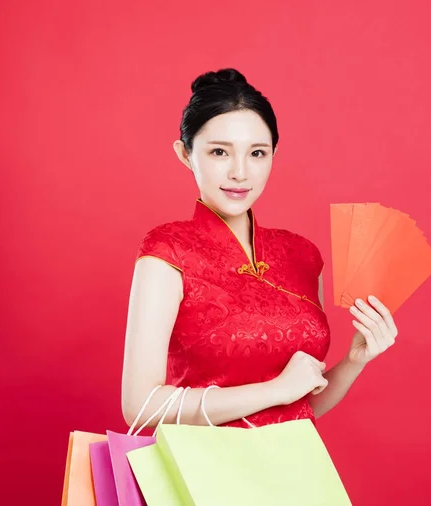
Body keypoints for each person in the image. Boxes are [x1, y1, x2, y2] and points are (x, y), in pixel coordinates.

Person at [121, 68, 398, 430]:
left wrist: (354, 360)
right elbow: (140, 408)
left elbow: (304, 404)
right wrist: (275, 390)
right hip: (204, 475)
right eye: (220, 151)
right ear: (185, 154)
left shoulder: (302, 255)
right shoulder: (167, 251)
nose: (240, 172)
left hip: (296, 471)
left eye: (257, 153)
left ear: (273, 155)